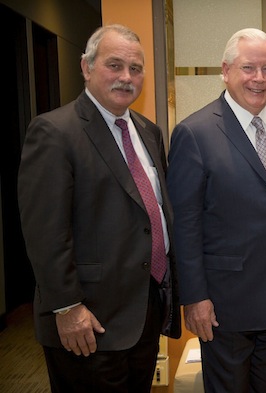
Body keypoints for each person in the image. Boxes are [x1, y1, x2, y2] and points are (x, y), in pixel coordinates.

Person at [17, 24, 181, 393]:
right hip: (87, 321)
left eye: (135, 68)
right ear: (86, 67)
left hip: (142, 312)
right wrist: (67, 307)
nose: (127, 77)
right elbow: (45, 233)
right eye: (115, 65)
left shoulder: (148, 131)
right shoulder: (54, 132)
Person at [166, 28, 266, 393]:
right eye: (249, 68)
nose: (259, 78)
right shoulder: (194, 132)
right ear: (226, 70)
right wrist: (195, 297)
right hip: (224, 303)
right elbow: (184, 224)